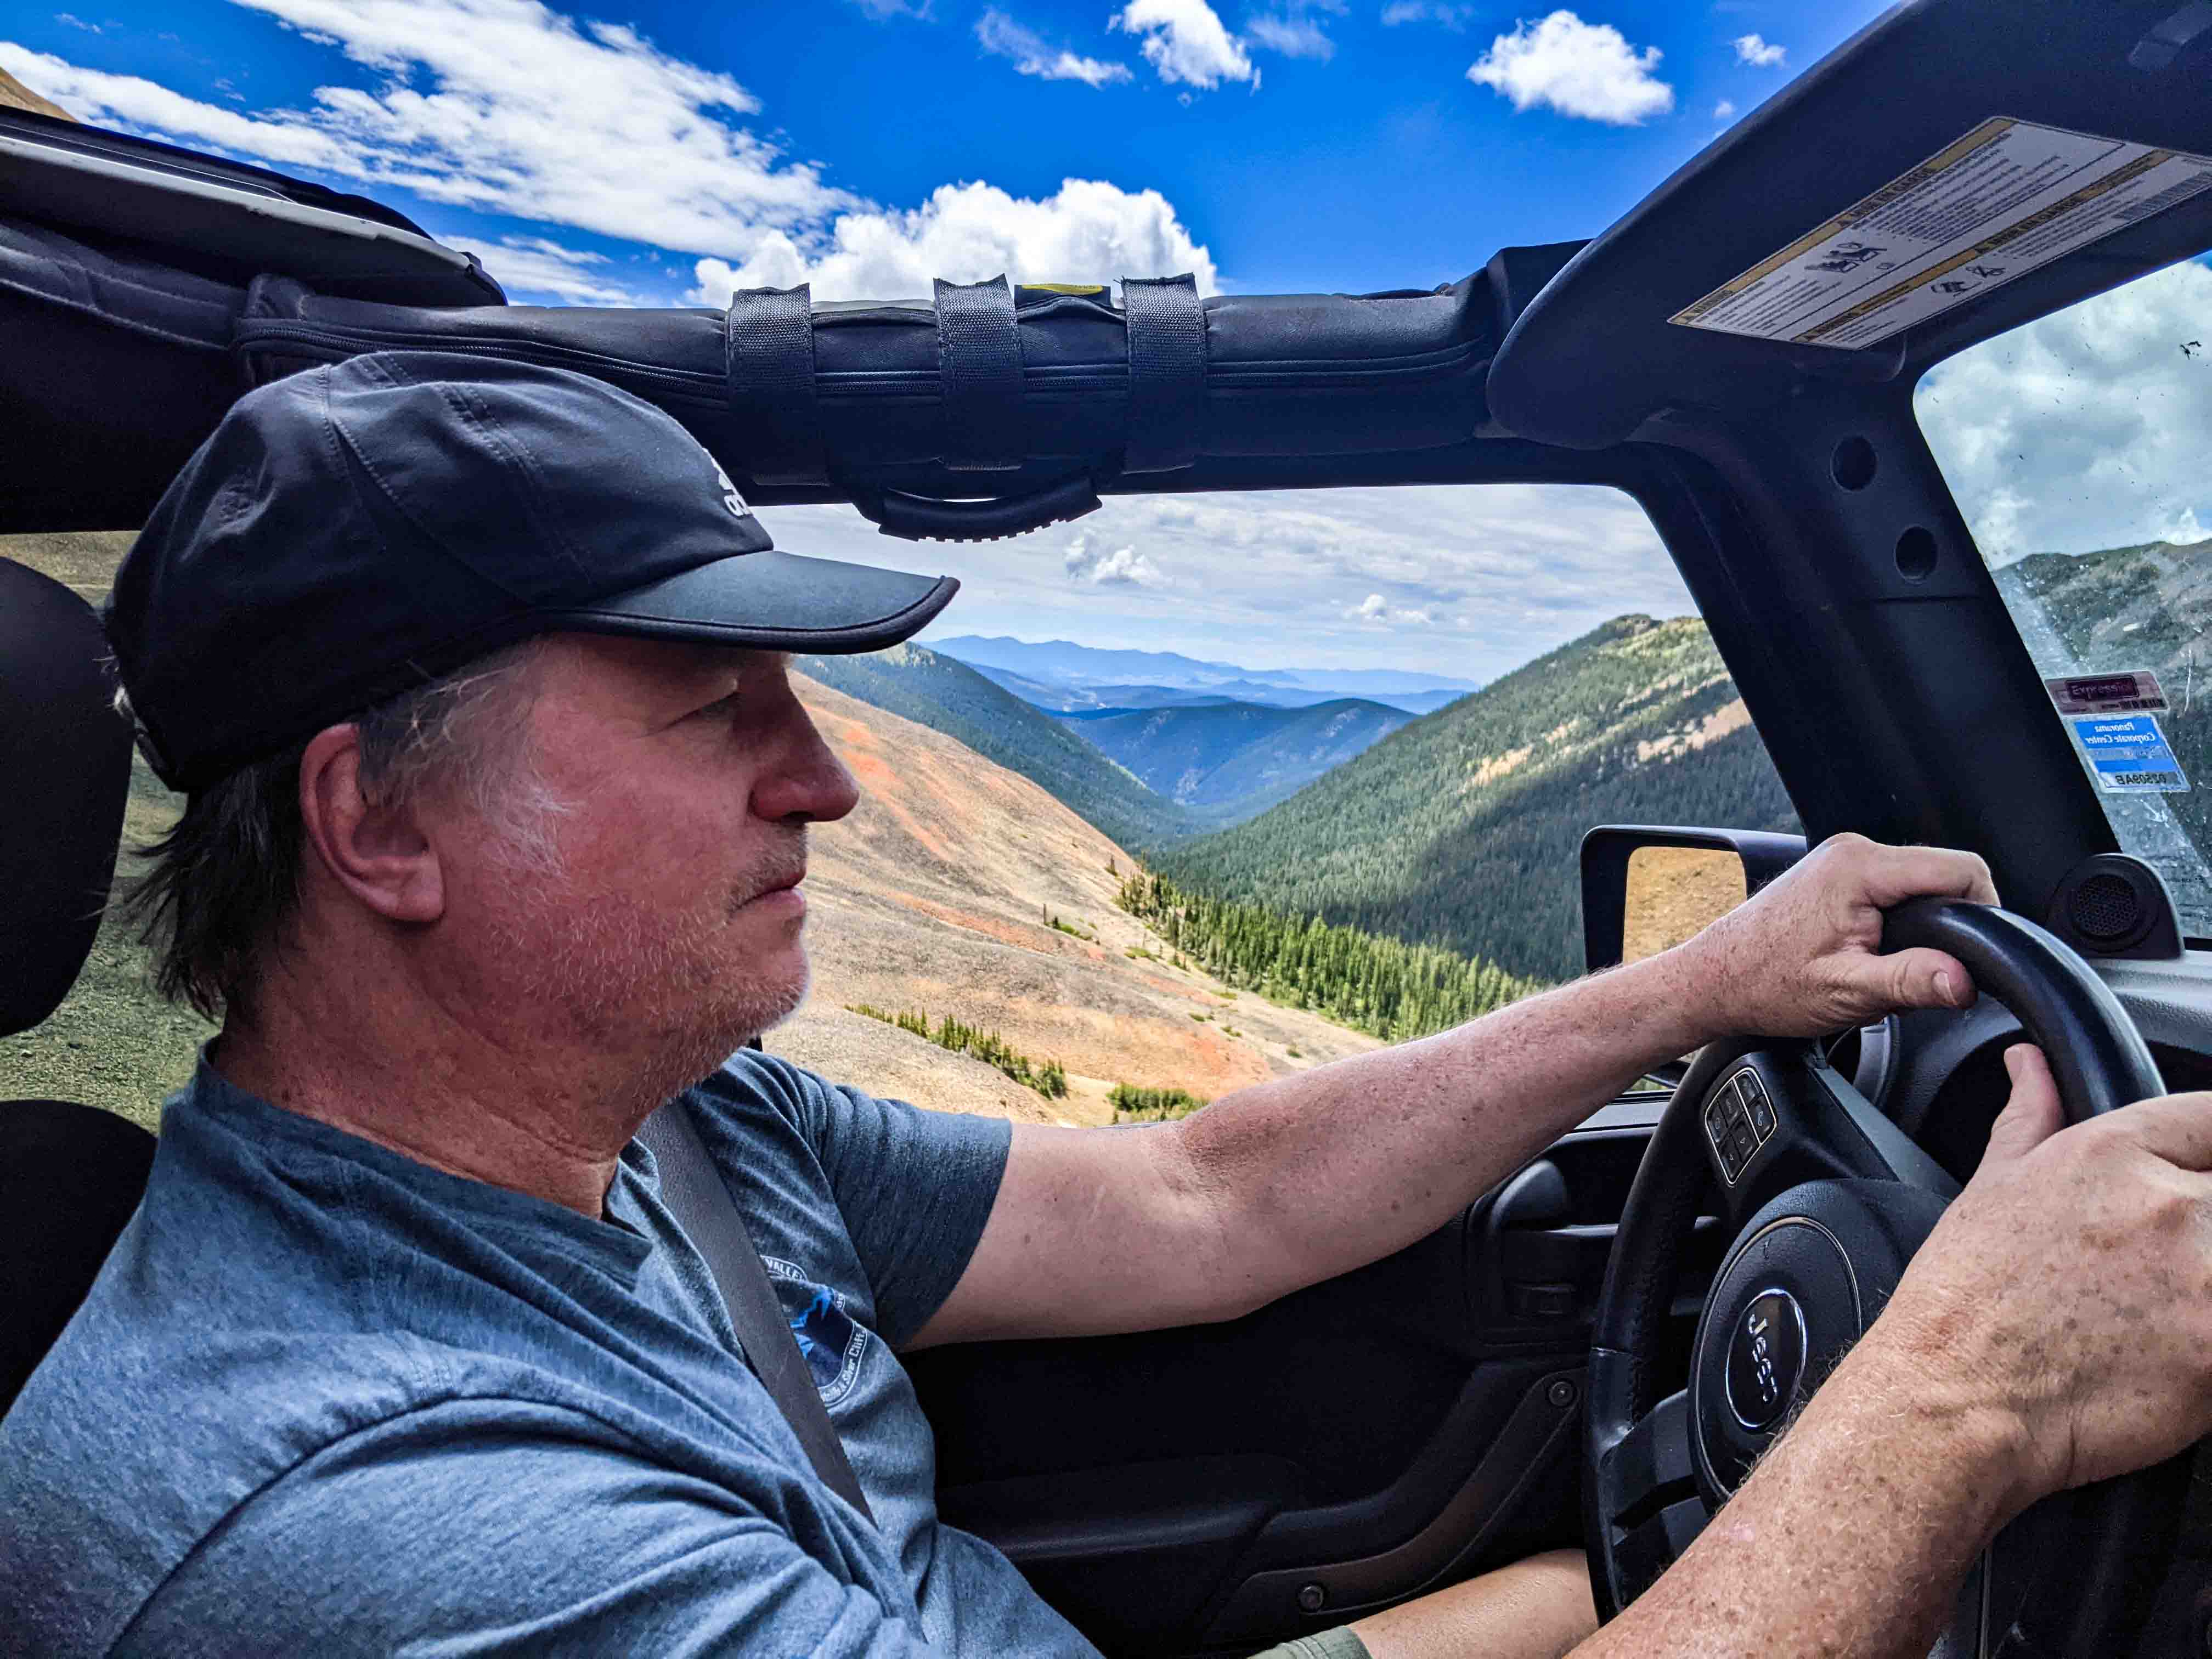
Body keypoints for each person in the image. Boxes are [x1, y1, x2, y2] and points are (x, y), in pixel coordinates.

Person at [4, 352, 2210, 1659]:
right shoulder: (366, 1518)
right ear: (380, 831)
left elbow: (1198, 1195)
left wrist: (1701, 990)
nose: (833, 776)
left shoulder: (666, 1123)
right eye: (711, 711)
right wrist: (1966, 1396)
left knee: (1604, 1587)